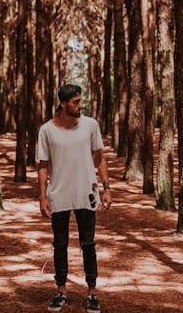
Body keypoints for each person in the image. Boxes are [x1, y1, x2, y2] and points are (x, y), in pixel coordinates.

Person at [37, 83, 112, 313]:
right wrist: (42, 196)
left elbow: (100, 159)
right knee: (60, 245)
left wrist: (106, 188)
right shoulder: (47, 130)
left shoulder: (90, 125)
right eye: (76, 102)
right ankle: (61, 291)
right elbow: (43, 165)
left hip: (86, 193)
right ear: (63, 104)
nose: (81, 105)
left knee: (88, 244)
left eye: (81, 101)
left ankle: (92, 293)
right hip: (58, 195)